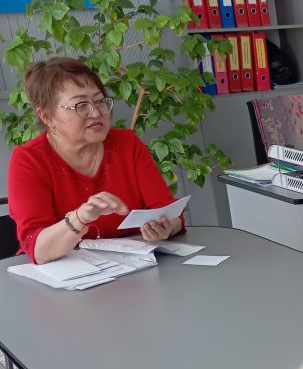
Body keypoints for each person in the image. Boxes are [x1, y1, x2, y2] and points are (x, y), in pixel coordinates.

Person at [7, 57, 183, 264]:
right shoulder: (29, 160)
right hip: (65, 275)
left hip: (132, 266)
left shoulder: (127, 143)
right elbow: (38, 249)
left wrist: (167, 227)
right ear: (46, 116)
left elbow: (171, 212)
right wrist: (80, 218)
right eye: (81, 105)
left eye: (100, 101)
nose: (97, 112)